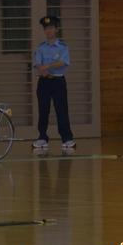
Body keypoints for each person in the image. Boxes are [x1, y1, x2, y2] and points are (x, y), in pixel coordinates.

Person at [32, 16, 75, 150]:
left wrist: (48, 66)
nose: (48, 31)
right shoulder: (41, 48)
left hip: (58, 81)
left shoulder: (62, 47)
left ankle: (67, 138)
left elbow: (63, 62)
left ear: (56, 29)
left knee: (61, 109)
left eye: (51, 28)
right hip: (44, 82)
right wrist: (43, 69)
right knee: (43, 110)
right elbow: (37, 64)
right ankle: (42, 137)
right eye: (46, 29)